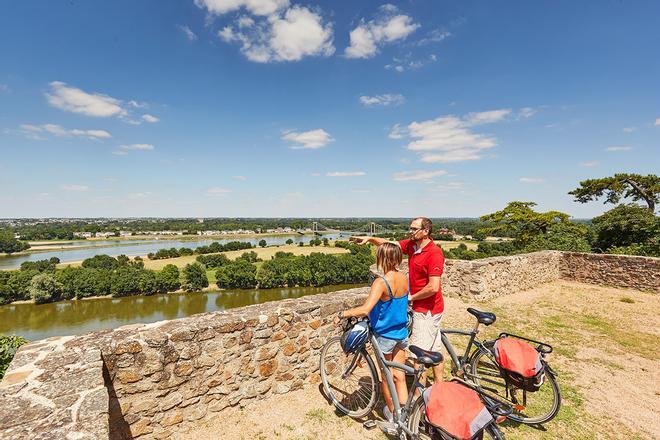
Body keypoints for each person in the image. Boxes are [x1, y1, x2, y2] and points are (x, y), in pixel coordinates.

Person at [352, 217, 445, 384]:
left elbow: (433, 287)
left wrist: (411, 297)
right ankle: (440, 386)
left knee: (419, 356)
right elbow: (389, 244)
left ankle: (418, 399)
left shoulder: (434, 253)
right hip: (423, 307)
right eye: (410, 228)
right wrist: (370, 239)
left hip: (426, 309)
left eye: (414, 229)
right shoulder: (412, 245)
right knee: (434, 348)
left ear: (425, 231)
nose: (410, 232)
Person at [334, 242, 409, 421]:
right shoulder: (404, 277)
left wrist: (342, 314)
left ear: (382, 258)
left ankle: (393, 415)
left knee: (386, 376)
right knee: (400, 376)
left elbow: (365, 309)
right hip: (401, 332)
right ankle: (405, 414)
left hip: (384, 336)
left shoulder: (381, 282)